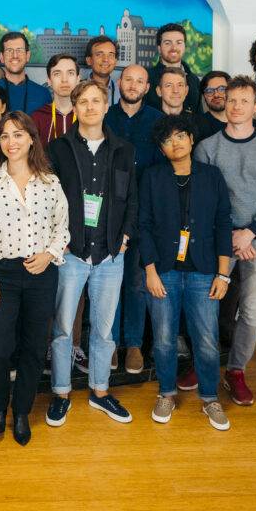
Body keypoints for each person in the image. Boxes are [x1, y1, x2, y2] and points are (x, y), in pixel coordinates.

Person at [194, 76, 256, 406]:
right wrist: (231, 236)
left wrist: (250, 232)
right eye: (230, 99)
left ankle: (235, 371)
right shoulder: (207, 148)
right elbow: (202, 200)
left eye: (243, 101)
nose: (235, 106)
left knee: (250, 311)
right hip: (219, 239)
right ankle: (203, 363)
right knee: (206, 303)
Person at [45, 80, 137, 427]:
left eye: (96, 101)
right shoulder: (59, 148)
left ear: (106, 104)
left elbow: (132, 198)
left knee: (103, 330)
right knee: (64, 329)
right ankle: (61, 392)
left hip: (111, 255)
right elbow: (48, 197)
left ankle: (100, 391)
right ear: (75, 106)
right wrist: (59, 239)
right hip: (71, 253)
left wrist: (125, 238)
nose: (89, 107)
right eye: (82, 101)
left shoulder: (123, 149)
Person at [0, 112, 69, 445]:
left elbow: (63, 228)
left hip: (41, 272)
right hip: (3, 275)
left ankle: (22, 412)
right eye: (4, 136)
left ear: (31, 138)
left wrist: (49, 255)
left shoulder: (50, 182)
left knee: (32, 349)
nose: (11, 142)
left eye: (17, 135)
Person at [140, 114, 233, 431]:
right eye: (167, 140)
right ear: (161, 148)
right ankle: (166, 392)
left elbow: (223, 224)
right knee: (164, 339)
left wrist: (223, 274)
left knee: (206, 339)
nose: (175, 143)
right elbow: (145, 226)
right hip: (164, 270)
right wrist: (149, 271)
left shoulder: (212, 176)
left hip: (204, 271)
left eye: (180, 136)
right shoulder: (152, 177)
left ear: (192, 139)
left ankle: (210, 398)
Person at [105, 64, 164, 374]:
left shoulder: (157, 121)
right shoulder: (104, 117)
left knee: (137, 283)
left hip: (144, 216)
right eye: (128, 79)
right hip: (107, 216)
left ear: (147, 87)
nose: (133, 85)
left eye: (139, 81)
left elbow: (163, 169)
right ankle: (110, 343)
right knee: (109, 283)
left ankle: (133, 345)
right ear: (119, 82)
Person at [145, 22, 200, 112]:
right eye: (167, 43)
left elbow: (198, 117)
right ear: (159, 48)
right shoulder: (147, 77)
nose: (174, 47)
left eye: (179, 42)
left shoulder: (194, 80)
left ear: (184, 47)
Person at [0, 31, 51, 115]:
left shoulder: (43, 94)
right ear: (1, 57)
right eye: (9, 51)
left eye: (19, 50)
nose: (15, 56)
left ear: (27, 56)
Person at [31, 54, 80, 146]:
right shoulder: (37, 118)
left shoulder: (87, 115)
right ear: (49, 80)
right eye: (57, 74)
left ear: (78, 79)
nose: (64, 80)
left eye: (70, 73)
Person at [84, 36, 121, 105]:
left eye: (110, 55)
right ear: (89, 60)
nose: (105, 59)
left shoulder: (122, 92)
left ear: (115, 61)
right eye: (99, 54)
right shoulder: (77, 89)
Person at [195, 71, 230, 142]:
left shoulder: (249, 123)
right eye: (210, 91)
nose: (216, 95)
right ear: (204, 96)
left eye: (222, 89)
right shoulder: (196, 126)